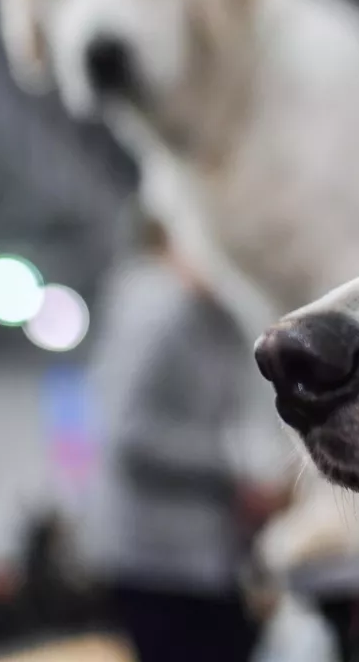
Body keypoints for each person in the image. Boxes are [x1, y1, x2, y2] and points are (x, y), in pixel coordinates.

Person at [84, 209, 289, 662]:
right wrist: (234, 478)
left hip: (197, 557)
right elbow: (128, 435)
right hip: (161, 560)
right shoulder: (157, 312)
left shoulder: (206, 315)